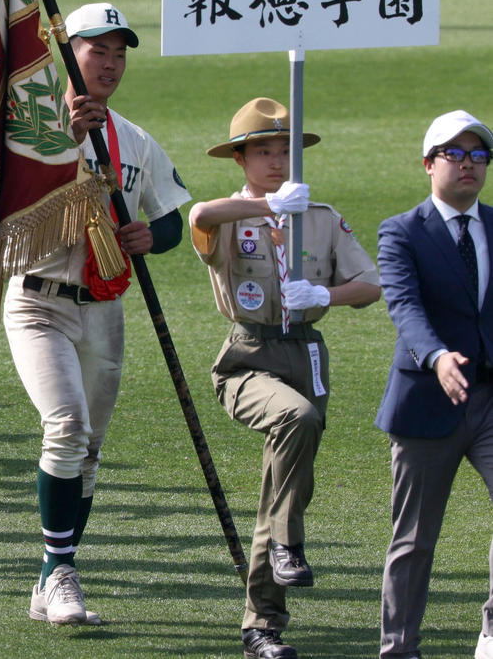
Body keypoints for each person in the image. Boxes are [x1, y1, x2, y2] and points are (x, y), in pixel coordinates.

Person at [0, 2, 191, 623]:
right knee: (66, 426)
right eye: (96, 51)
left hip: (104, 308)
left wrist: (151, 238)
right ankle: (61, 574)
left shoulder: (134, 139)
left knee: (89, 448)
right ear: (66, 55)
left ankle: (52, 575)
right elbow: (5, 200)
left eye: (118, 53)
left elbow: (171, 217)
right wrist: (71, 141)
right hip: (37, 300)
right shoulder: (29, 127)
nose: (109, 64)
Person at [189, 97, 380, 659]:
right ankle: (288, 546)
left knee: (282, 492)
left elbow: (370, 286)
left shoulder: (319, 217)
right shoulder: (232, 216)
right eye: (263, 152)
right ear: (241, 160)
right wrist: (267, 205)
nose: (276, 162)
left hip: (306, 353)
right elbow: (200, 216)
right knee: (295, 420)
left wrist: (324, 293)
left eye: (285, 151)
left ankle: (262, 628)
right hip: (248, 356)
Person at [376, 110, 493, 659]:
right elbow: (404, 305)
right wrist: (438, 356)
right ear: (428, 164)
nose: (469, 164)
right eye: (455, 154)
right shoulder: (402, 231)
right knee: (415, 538)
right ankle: (399, 648)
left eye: (479, 155)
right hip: (427, 401)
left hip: (488, 399)